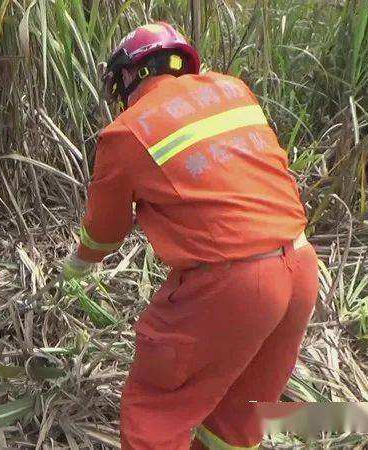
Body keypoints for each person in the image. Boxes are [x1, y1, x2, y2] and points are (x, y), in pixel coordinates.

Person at [62, 22, 319, 449]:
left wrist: (77, 265)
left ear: (128, 76)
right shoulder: (234, 91)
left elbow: (106, 230)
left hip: (233, 286)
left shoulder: (127, 131)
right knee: (236, 421)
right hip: (300, 269)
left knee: (155, 410)